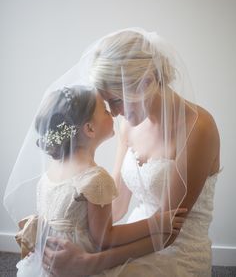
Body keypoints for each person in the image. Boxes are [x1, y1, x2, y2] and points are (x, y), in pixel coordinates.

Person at [5, 28, 220, 277]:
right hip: (136, 234)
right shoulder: (129, 124)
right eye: (108, 104)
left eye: (117, 100)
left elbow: (169, 229)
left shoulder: (199, 128)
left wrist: (88, 263)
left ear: (147, 82)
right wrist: (69, 229)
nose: (115, 114)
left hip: (175, 248)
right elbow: (116, 207)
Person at [13, 84, 185, 277]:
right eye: (105, 110)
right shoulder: (96, 179)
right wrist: (156, 222)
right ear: (90, 128)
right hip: (75, 264)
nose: (112, 113)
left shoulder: (52, 171)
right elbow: (106, 238)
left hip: (48, 262)